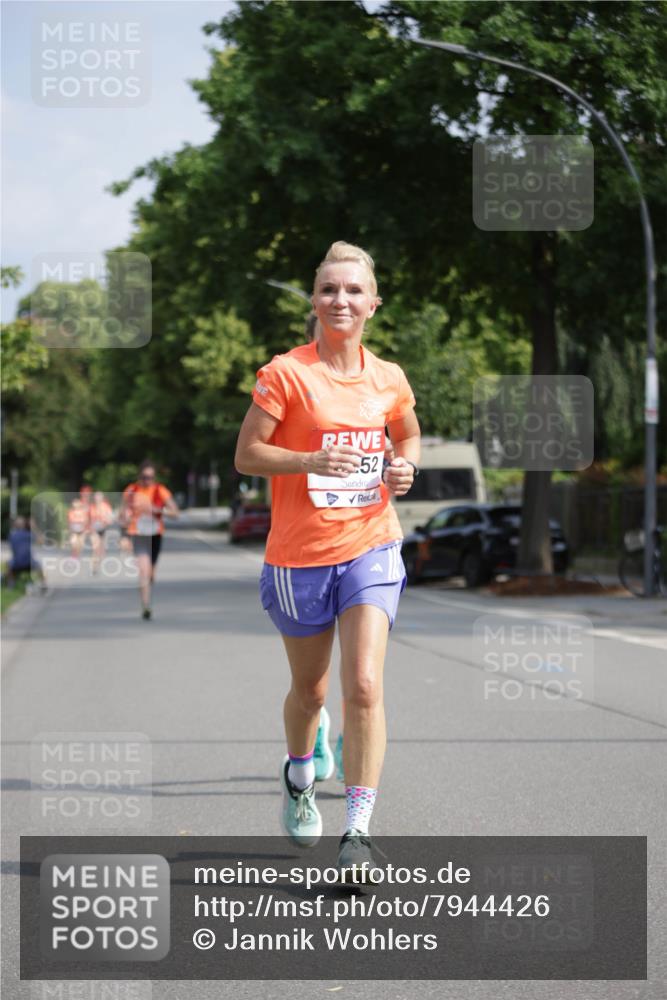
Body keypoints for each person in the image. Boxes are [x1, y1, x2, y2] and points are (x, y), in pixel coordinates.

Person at [235, 241, 420, 880]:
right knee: (311, 692)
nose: (339, 300)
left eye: (352, 291)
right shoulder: (286, 373)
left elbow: (409, 432)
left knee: (364, 684)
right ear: (314, 302)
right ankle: (298, 774)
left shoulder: (389, 377)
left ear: (373, 303)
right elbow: (248, 455)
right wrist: (309, 460)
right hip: (298, 557)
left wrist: (406, 466)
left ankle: (359, 833)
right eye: (328, 290)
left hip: (372, 541)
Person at [120, 461, 179, 619]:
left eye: (151, 477)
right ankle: (146, 605)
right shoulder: (131, 490)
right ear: (139, 476)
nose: (148, 480)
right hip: (138, 534)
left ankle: (147, 590)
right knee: (143, 570)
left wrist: (158, 510)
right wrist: (124, 530)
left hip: (155, 534)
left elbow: (175, 512)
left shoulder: (160, 490)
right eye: (145, 477)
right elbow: (122, 514)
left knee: (151, 573)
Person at [5, 516, 46, 590]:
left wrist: (33, 528)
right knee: (9, 564)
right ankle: (11, 584)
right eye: (18, 523)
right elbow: (41, 540)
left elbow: (41, 541)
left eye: (21, 523)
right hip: (17, 561)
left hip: (28, 561)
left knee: (39, 565)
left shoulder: (26, 534)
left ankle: (43, 584)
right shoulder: (14, 535)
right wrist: (34, 527)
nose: (20, 524)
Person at [89, 491, 115, 572]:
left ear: (102, 498)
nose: (97, 499)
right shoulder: (91, 507)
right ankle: (94, 566)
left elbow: (111, 518)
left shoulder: (106, 506)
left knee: (101, 548)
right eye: (96, 497)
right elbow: (87, 518)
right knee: (95, 547)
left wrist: (107, 521)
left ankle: (98, 559)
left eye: (99, 497)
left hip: (103, 528)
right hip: (94, 529)